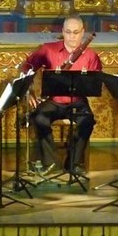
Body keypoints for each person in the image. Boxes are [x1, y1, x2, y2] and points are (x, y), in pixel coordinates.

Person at [23, 15, 102, 175]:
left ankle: (72, 163)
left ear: (83, 32)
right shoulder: (48, 49)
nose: (72, 36)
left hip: (78, 101)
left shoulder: (91, 55)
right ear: (62, 32)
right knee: (39, 118)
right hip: (54, 101)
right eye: (68, 32)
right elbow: (26, 68)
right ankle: (52, 163)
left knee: (87, 121)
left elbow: (96, 80)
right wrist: (29, 90)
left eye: (76, 32)